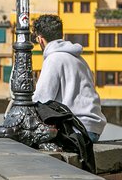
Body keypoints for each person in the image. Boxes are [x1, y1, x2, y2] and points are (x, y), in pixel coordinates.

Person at [31, 14, 106, 142]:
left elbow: (41, 100)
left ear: (40, 40)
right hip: (93, 128)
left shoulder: (53, 59)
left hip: (76, 129)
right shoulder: (80, 59)